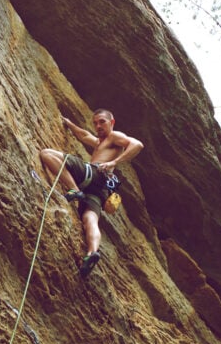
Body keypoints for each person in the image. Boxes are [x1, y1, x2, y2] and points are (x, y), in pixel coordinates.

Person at [39, 109, 144, 276]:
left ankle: (74, 189)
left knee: (46, 154)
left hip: (95, 174)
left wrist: (114, 162)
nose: (98, 125)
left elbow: (137, 144)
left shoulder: (114, 136)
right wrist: (68, 122)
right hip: (99, 189)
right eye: (95, 123)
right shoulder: (100, 142)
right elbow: (83, 135)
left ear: (112, 122)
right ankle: (92, 253)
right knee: (90, 219)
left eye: (102, 121)